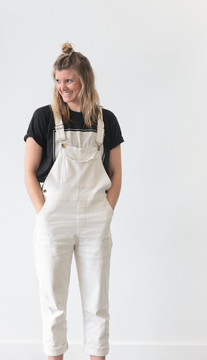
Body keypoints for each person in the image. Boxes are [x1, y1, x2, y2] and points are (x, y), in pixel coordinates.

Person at [24, 42, 124, 360]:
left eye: (69, 80)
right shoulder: (43, 118)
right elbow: (28, 172)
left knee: (97, 303)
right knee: (53, 304)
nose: (62, 87)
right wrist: (45, 213)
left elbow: (116, 172)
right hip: (55, 216)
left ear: (84, 79)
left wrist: (107, 210)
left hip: (96, 217)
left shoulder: (106, 120)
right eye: (58, 80)